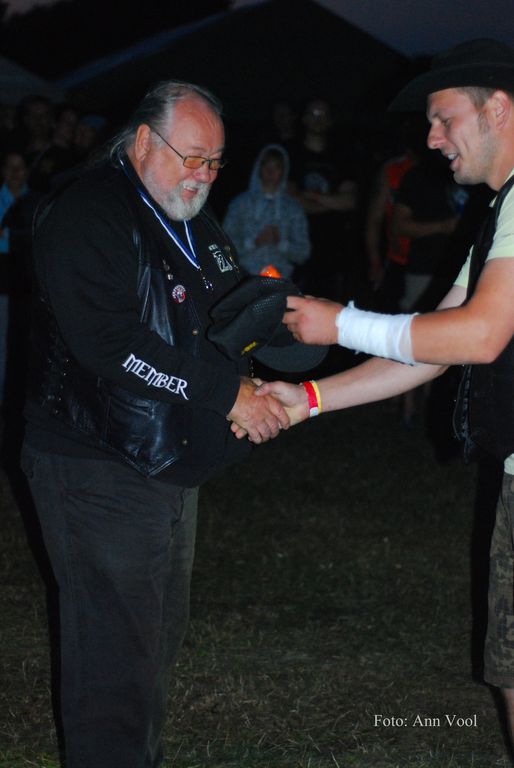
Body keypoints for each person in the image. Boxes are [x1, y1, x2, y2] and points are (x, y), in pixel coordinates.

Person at [251, 39, 514, 746]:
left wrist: (340, 322)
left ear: (498, 108)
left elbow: (480, 335)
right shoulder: (501, 212)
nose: (432, 140)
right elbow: (431, 348)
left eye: (443, 119)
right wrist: (309, 399)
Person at [20, 80, 289, 768]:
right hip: (97, 462)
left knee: (152, 643)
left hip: (167, 460)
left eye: (215, 162)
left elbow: (223, 310)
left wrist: (287, 329)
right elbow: (108, 343)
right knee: (113, 658)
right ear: (143, 140)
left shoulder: (188, 214)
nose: (204, 175)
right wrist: (226, 394)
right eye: (192, 157)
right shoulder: (89, 212)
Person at [223, 143, 310, 278]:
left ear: (284, 171)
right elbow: (224, 247)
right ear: (259, 168)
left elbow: (303, 253)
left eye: (276, 167)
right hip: (245, 278)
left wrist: (281, 243)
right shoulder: (239, 204)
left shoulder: (293, 209)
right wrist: (254, 242)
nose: (270, 171)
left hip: (281, 281)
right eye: (266, 165)